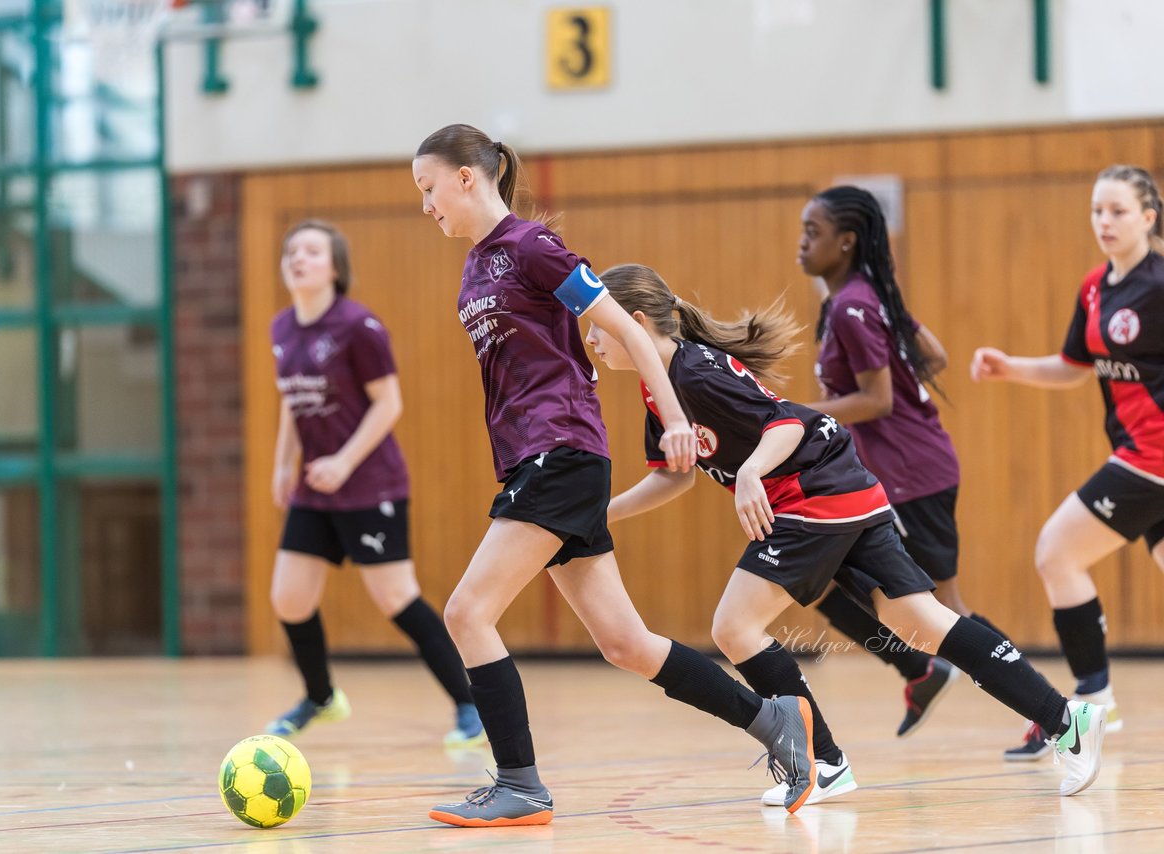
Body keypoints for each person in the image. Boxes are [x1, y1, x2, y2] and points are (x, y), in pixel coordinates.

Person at [412, 123, 822, 826]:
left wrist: (673, 419)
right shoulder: (475, 268)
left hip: (561, 453)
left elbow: (630, 331)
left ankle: (520, 785)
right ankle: (773, 720)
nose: (426, 205)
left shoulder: (533, 247)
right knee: (626, 645)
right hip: (534, 460)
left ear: (467, 178)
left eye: (429, 188)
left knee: (467, 612)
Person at [588, 261, 1108, 806]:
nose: (592, 339)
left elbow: (786, 424)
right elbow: (675, 475)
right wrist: (604, 514)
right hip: (843, 485)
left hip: (813, 493)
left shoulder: (694, 373)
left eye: (598, 325)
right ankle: (1066, 720)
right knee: (919, 622)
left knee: (735, 627)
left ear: (636, 322)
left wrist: (750, 472)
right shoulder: (662, 387)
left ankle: (823, 763)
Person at [797, 185, 1021, 738]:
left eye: (813, 232)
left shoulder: (852, 306)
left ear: (846, 242)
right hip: (891, 474)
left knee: (948, 610)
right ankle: (919, 670)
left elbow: (877, 400)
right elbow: (934, 356)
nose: (801, 243)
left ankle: (1047, 712)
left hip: (912, 475)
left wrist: (795, 415)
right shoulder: (865, 296)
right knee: (817, 581)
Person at [266, 219, 485, 748]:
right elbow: (293, 401)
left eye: (311, 251)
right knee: (289, 599)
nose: (298, 258)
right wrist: (283, 463)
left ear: (335, 267)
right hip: (316, 488)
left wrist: (343, 462)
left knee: (396, 597)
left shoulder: (358, 326)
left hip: (370, 485)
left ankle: (469, 703)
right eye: (291, 252)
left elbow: (389, 404)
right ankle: (321, 697)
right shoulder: (281, 328)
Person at [971, 164, 1164, 757]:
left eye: (1118, 211)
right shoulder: (1094, 287)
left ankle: (1094, 702)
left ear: (1148, 218)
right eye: (1097, 210)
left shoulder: (1161, 284)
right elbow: (1073, 366)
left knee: (1057, 552)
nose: (1105, 221)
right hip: (1136, 454)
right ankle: (1095, 703)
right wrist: (1011, 367)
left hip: (1152, 455)